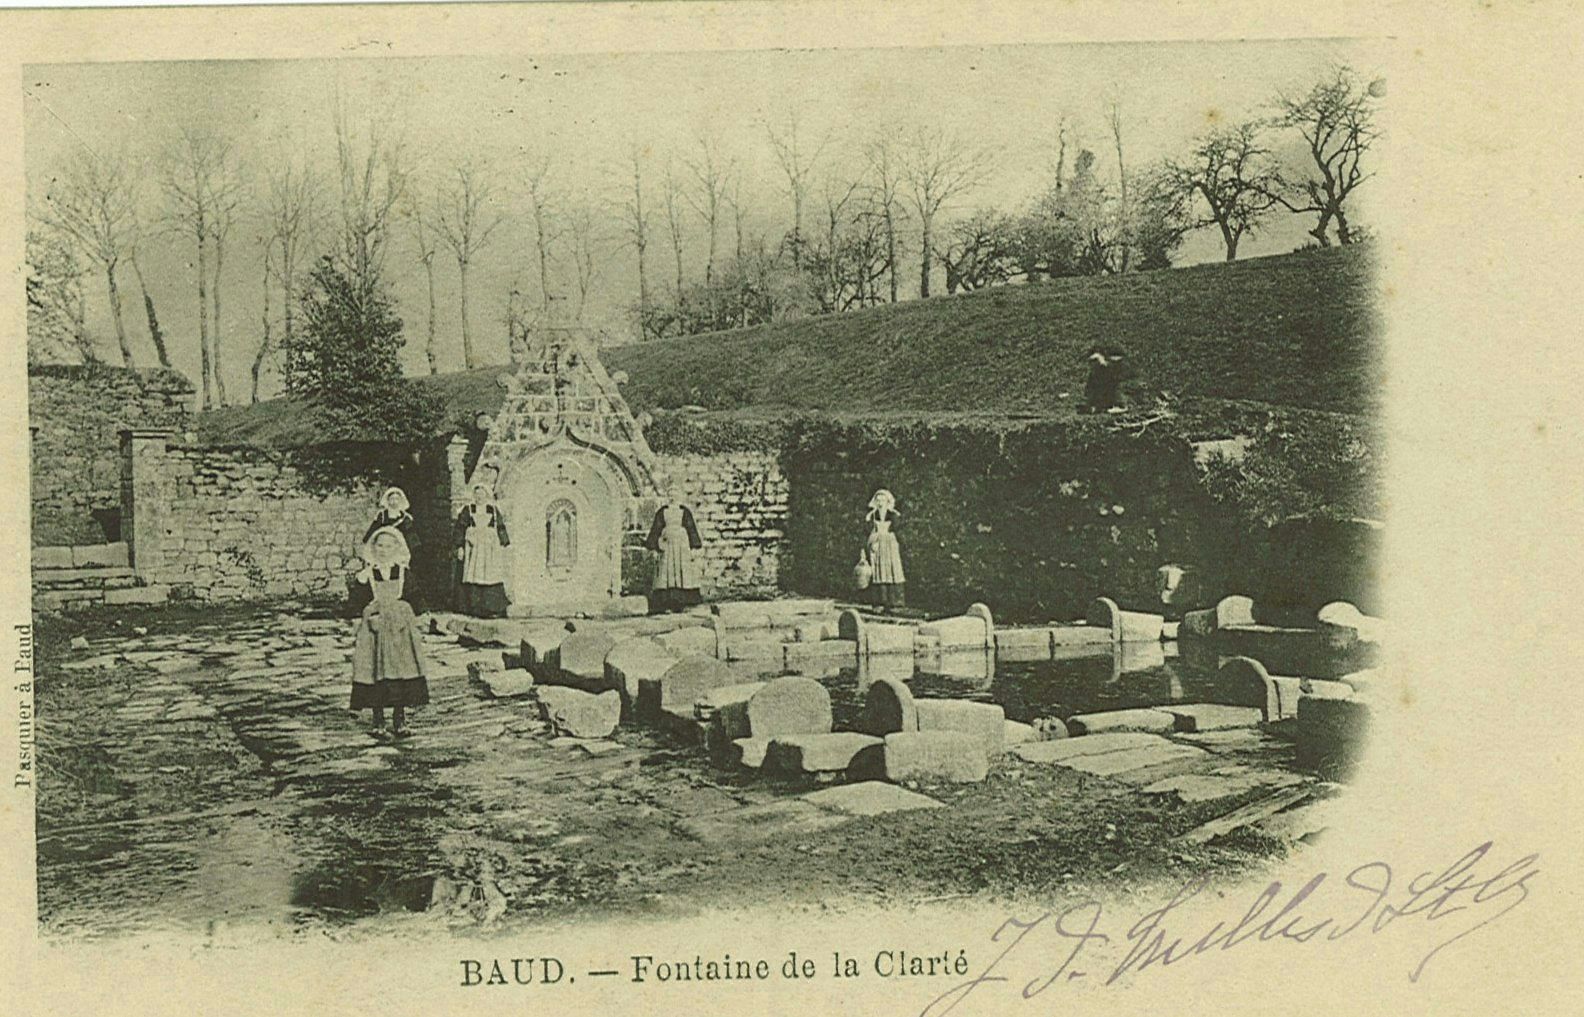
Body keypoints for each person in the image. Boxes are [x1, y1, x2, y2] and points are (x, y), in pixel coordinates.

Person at [350, 526, 429, 739]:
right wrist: (363, 616)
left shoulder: (404, 572)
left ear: (397, 547)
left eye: (388, 546)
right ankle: (378, 722)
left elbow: (415, 596)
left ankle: (400, 720)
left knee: (402, 671)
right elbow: (356, 601)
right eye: (380, 545)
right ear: (373, 548)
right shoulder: (367, 575)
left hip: (400, 629)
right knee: (377, 673)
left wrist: (422, 616)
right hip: (375, 629)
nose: (384, 550)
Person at [350, 487, 421, 616]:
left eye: (396, 499)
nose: (394, 502)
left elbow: (415, 599)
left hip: (398, 542)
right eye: (391, 499)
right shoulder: (382, 516)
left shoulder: (405, 518)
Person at [455, 483, 512, 618]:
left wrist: (505, 543)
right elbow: (459, 528)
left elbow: (500, 527)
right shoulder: (467, 510)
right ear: (474, 495)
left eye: (482, 494)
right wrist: (459, 546)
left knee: (490, 574)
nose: (479, 497)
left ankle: (492, 608)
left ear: (486, 495)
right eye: (477, 494)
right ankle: (473, 607)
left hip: (489, 549)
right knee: (473, 574)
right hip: (473, 549)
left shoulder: (493, 510)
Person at [645, 502, 704, 613]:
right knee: (666, 573)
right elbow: (656, 529)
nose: (673, 496)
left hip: (682, 547)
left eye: (675, 493)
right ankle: (666, 602)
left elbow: (691, 528)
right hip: (667, 546)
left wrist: (694, 547)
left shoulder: (684, 512)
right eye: (670, 493)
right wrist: (655, 544)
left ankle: (684, 601)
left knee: (683, 572)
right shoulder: (662, 512)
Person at [863, 489, 906, 611]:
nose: (880, 502)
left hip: (890, 544)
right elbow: (868, 531)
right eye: (878, 500)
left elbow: (898, 531)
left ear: (888, 501)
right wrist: (871, 543)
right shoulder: (872, 515)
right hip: (877, 544)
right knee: (878, 572)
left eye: (883, 499)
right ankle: (879, 603)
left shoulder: (893, 515)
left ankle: (894, 603)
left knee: (892, 571)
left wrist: (900, 543)